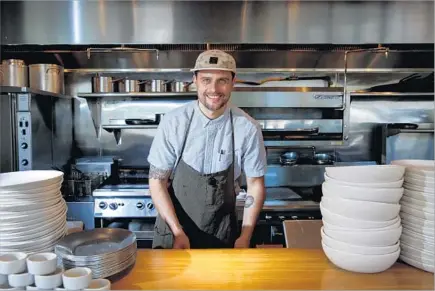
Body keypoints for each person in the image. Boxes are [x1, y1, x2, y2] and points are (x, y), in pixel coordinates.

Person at [147, 49, 267, 249]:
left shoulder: (247, 128)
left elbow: (255, 184)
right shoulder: (173, 123)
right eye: (206, 80)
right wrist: (177, 231)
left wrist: (245, 236)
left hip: (222, 235)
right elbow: (157, 181)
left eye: (222, 80)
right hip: (174, 232)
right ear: (194, 80)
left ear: (232, 82)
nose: (214, 89)